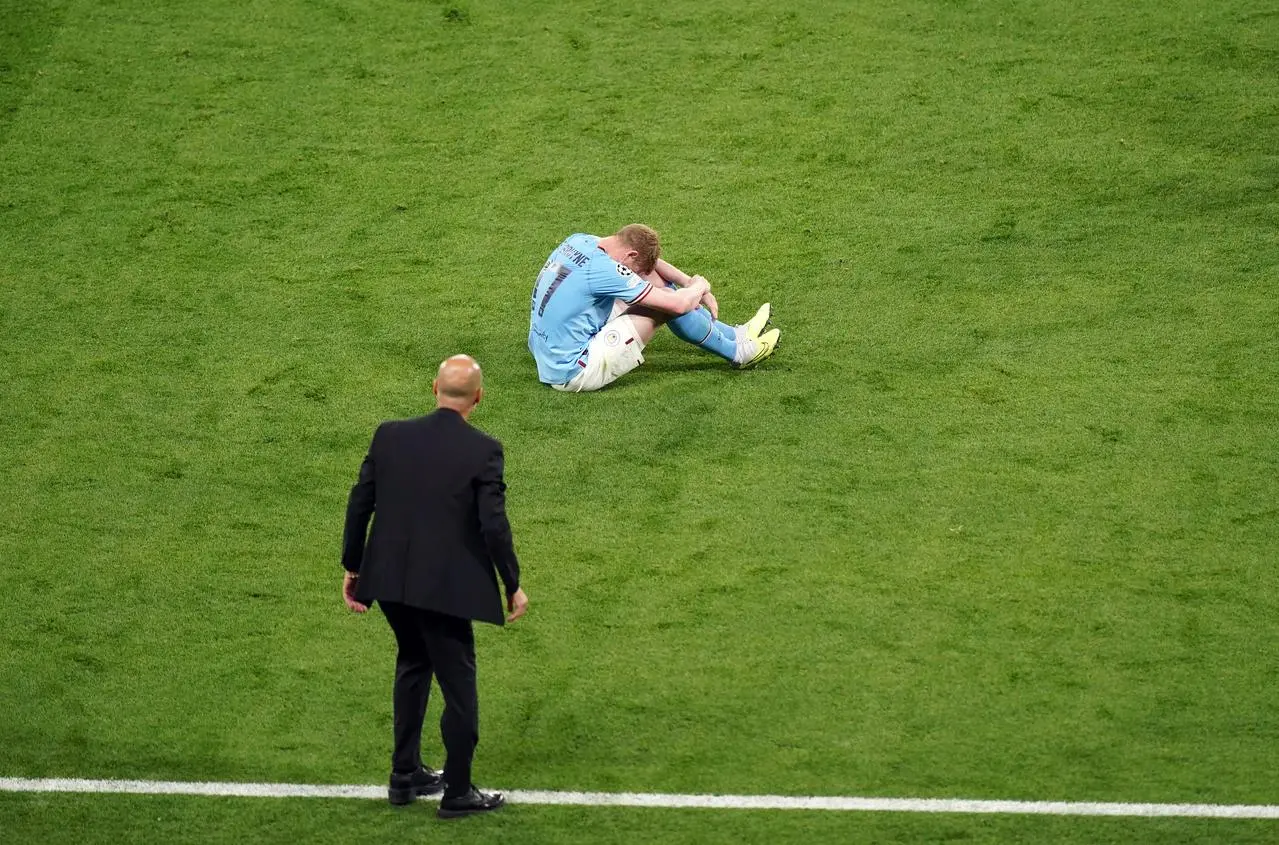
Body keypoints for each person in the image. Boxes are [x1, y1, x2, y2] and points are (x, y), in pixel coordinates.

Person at [341, 354, 529, 819]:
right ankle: (458, 791)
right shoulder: (483, 449)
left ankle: (404, 775)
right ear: (478, 398)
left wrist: (353, 566)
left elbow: (360, 501)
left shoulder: (390, 434)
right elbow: (493, 525)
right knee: (459, 685)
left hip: (389, 581)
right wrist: (512, 583)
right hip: (444, 589)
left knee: (412, 661)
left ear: (434, 388)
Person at [528, 223, 781, 392]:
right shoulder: (606, 270)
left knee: (658, 284)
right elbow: (680, 304)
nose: (635, 275)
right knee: (664, 305)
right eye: (634, 269)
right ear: (631, 255)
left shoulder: (581, 240)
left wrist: (686, 281)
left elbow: (653, 266)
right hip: (572, 369)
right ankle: (738, 353)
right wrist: (701, 285)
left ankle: (735, 333)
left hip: (546, 347)